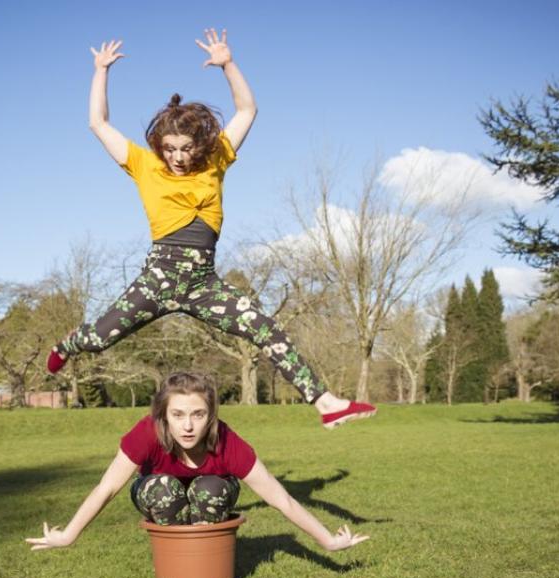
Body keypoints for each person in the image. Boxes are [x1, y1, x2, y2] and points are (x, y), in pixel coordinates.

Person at [47, 29, 375, 429]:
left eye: (185, 148)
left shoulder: (215, 158)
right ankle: (67, 346)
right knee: (100, 338)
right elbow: (98, 122)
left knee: (264, 328)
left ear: (197, 144)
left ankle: (326, 403)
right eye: (170, 149)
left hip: (204, 283)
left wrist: (228, 65)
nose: (178, 157)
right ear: (158, 145)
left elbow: (247, 110)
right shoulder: (142, 164)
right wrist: (100, 71)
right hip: (159, 280)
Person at [26, 372, 370, 552]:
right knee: (165, 490)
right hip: (161, 493)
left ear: (211, 415)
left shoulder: (227, 441)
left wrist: (328, 540)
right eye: (177, 414)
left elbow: (280, 498)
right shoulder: (146, 433)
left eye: (198, 414)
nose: (188, 425)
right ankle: (177, 565)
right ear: (163, 414)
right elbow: (107, 487)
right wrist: (69, 535)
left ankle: (207, 563)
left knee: (211, 487)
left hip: (210, 493)